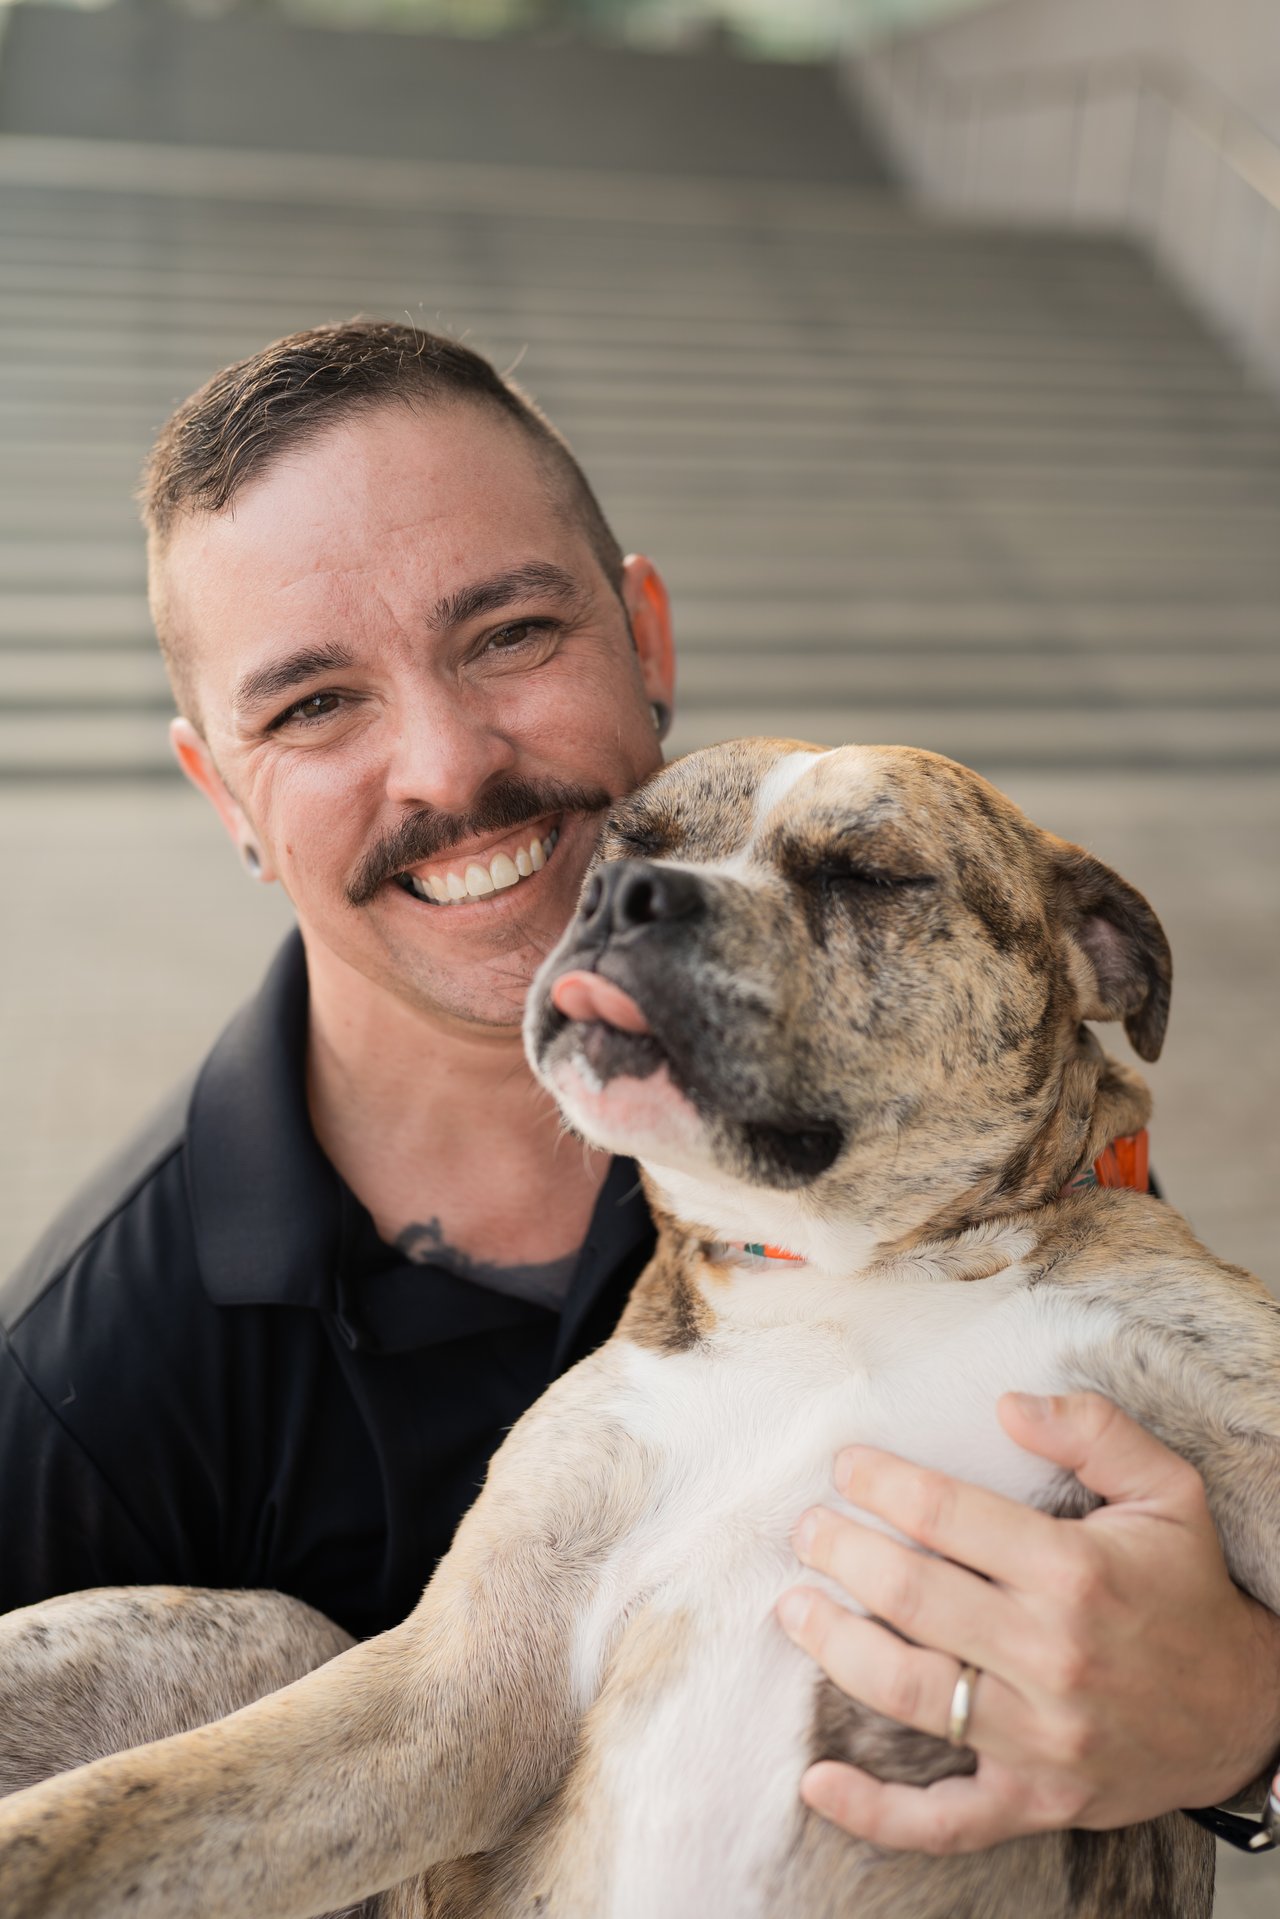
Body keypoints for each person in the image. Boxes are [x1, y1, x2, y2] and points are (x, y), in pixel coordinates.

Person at [2, 321, 1277, 1859]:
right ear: (226, 797)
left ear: (643, 639)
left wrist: (1247, 1729)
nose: (447, 765)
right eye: (313, 705)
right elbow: (428, 1732)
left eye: (509, 635)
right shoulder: (94, 1391)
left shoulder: (919, 1135)